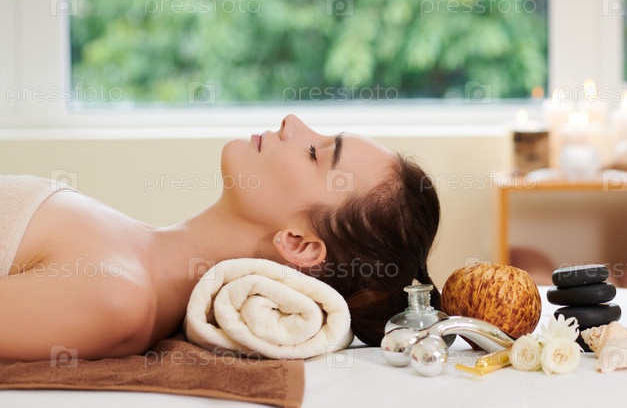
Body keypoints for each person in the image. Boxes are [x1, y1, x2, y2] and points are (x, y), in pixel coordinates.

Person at [0, 114, 441, 360]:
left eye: (314, 153)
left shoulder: (118, 299)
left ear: (298, 243)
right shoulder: (133, 249)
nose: (292, 122)